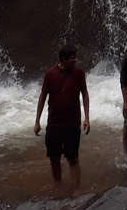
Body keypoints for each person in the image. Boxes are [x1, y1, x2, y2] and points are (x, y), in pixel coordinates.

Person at [34, 44, 90, 191]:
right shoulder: (50, 74)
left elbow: (84, 93)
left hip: (72, 123)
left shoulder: (79, 73)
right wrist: (37, 121)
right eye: (72, 59)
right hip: (54, 123)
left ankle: (76, 189)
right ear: (63, 60)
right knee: (54, 159)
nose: (75, 61)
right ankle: (58, 185)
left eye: (75, 58)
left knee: (73, 158)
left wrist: (87, 118)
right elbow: (42, 97)